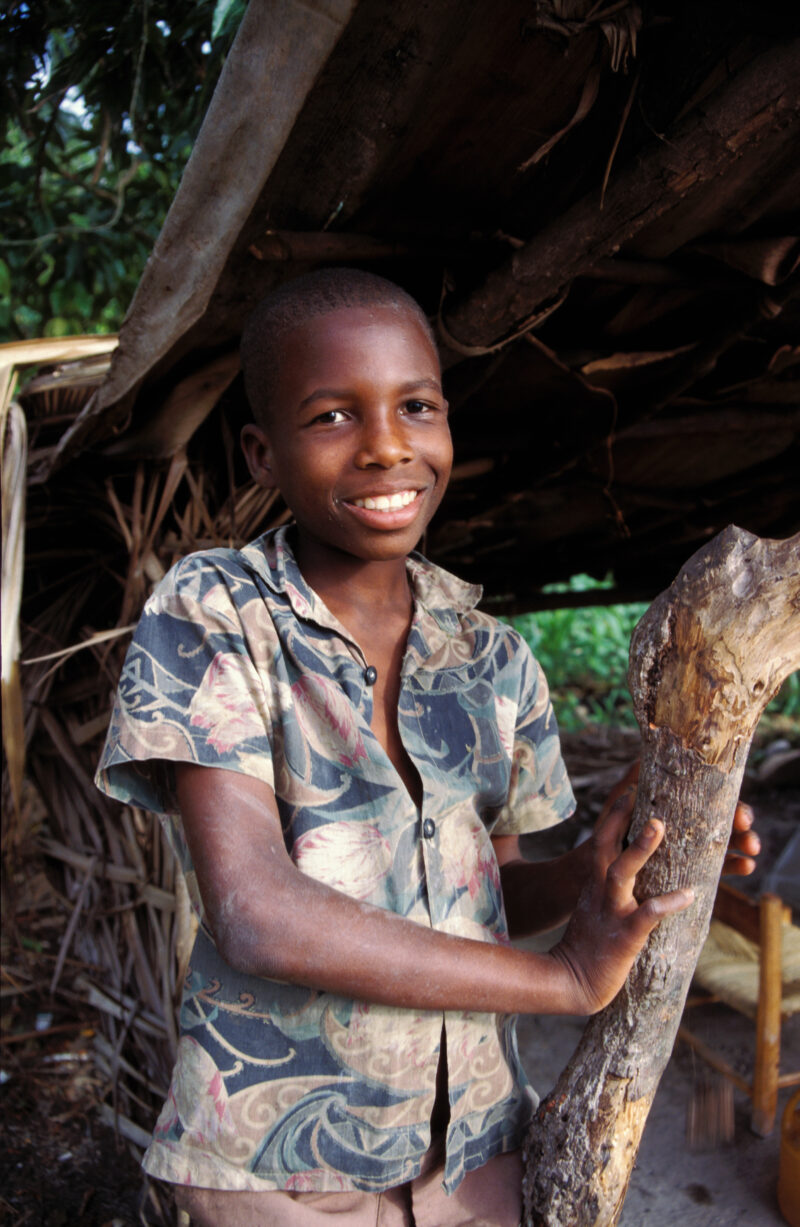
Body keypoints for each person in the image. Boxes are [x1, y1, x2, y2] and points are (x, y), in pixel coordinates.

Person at [95, 269, 759, 1226]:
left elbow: (487, 896)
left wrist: (600, 871)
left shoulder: (490, 655)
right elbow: (256, 911)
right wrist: (560, 980)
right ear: (261, 454)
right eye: (332, 416)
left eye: (417, 405)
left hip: (472, 1154)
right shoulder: (217, 611)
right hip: (281, 1168)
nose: (388, 446)